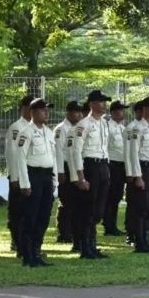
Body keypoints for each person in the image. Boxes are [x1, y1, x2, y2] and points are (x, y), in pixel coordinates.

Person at [71, 89, 113, 260]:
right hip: (90, 166)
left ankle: (93, 245)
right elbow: (76, 151)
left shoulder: (104, 123)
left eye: (105, 101)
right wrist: (80, 177)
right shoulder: (84, 124)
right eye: (100, 101)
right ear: (92, 104)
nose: (104, 104)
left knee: (98, 209)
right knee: (87, 208)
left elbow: (105, 148)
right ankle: (85, 247)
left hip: (103, 166)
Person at [16, 98, 57, 267]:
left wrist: (54, 178)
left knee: (44, 216)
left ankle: (37, 251)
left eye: (47, 110)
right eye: (42, 110)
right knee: (30, 217)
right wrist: (25, 184)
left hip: (46, 177)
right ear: (33, 112)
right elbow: (20, 158)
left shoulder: (48, 132)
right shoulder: (26, 132)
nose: (46, 113)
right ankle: (28, 255)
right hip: (33, 176)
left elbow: (52, 157)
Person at [125, 96, 149, 253]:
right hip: (143, 169)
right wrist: (137, 175)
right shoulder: (136, 128)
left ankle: (147, 240)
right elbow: (133, 154)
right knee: (141, 207)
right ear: (145, 110)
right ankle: (139, 241)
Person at [5, 95, 33, 256]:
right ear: (24, 108)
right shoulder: (17, 128)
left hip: (31, 175)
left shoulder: (34, 128)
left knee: (29, 211)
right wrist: (15, 178)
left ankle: (27, 243)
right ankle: (16, 241)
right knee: (17, 211)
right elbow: (12, 154)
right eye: (30, 107)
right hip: (19, 176)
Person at [54, 100, 83, 248]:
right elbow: (58, 151)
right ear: (68, 113)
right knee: (66, 201)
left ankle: (73, 230)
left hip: (75, 166)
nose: (79, 115)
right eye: (76, 112)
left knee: (76, 201)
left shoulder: (78, 128)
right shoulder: (61, 129)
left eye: (80, 112)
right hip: (64, 166)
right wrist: (60, 171)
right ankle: (64, 233)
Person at [103, 100, 130, 236]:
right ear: (113, 112)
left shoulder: (122, 128)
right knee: (111, 196)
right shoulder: (108, 127)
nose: (123, 112)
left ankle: (112, 223)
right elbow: (105, 148)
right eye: (120, 110)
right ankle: (109, 225)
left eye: (123, 110)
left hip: (122, 165)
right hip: (112, 165)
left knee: (118, 195)